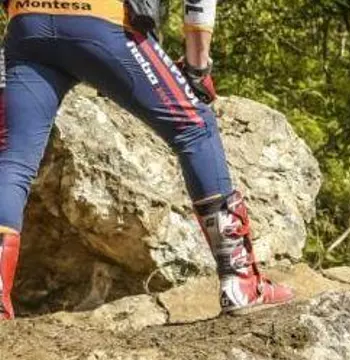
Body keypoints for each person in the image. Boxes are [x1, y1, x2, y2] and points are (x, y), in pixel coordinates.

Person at [0, 0, 289, 320]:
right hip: (101, 21)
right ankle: (241, 283)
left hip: (27, 23)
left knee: (13, 159)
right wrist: (197, 68)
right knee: (196, 127)